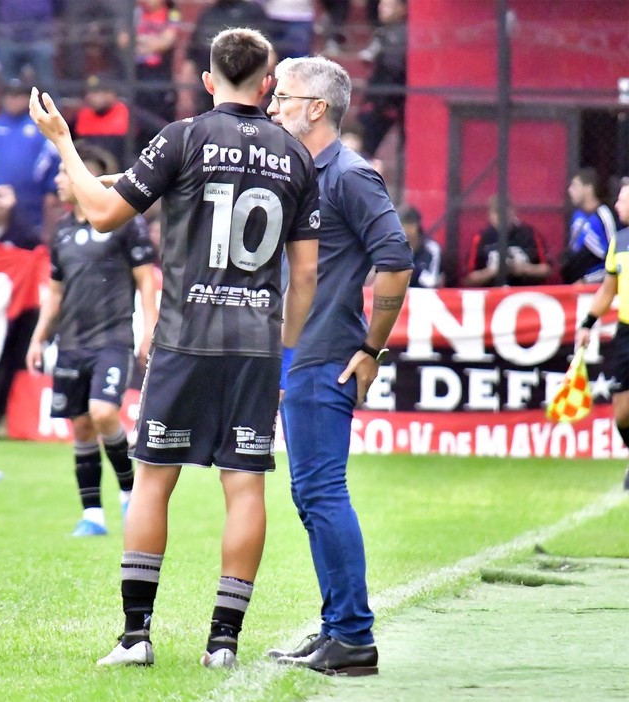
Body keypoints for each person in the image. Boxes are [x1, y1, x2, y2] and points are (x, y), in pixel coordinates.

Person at [28, 27, 319, 668]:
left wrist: (64, 144)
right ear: (267, 83)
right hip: (254, 347)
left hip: (185, 339)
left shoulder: (183, 137)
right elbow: (305, 277)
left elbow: (103, 213)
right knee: (245, 488)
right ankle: (222, 644)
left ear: (208, 81)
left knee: (155, 481)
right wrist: (284, 349)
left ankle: (136, 636)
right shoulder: (296, 156)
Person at [266, 56, 413, 675]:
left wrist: (371, 349)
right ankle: (336, 629)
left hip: (326, 355)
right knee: (309, 495)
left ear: (317, 108)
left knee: (322, 492)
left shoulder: (351, 175)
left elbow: (397, 260)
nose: (273, 107)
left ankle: (352, 636)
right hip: (299, 355)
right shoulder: (301, 171)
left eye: (283, 97)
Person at [25, 142, 159, 537]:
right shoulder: (63, 231)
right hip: (71, 343)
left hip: (112, 339)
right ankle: (93, 516)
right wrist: (38, 339)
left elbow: (146, 282)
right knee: (81, 427)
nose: (59, 180)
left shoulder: (124, 223)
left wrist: (149, 328)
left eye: (65, 172)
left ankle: (130, 491)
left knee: (103, 413)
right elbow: (54, 294)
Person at [575, 178, 629, 490]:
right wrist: (587, 322)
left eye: (622, 201)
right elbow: (608, 290)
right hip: (626, 334)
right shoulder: (619, 242)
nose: (618, 206)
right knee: (622, 413)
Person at [0, 78, 60, 240]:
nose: (13, 100)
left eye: (19, 96)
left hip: (31, 208)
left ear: (27, 99)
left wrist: (51, 191)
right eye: (10, 95)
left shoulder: (41, 129)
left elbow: (53, 165)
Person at [180, 0, 269, 116]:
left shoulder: (252, 12)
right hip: (209, 92)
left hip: (244, 88)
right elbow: (191, 58)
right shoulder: (207, 14)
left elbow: (269, 54)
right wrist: (185, 93)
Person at [70, 74, 166, 170]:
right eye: (89, 92)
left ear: (111, 94)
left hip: (123, 175)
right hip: (91, 174)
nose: (91, 97)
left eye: (97, 92)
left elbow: (162, 132)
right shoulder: (82, 116)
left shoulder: (130, 114)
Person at [463, 195, 551, 287]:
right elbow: (469, 279)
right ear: (490, 215)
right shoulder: (481, 238)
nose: (501, 218)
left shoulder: (530, 234)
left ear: (513, 212)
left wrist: (525, 268)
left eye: (505, 213)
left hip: (525, 292)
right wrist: (492, 271)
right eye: (497, 213)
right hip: (493, 293)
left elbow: (547, 269)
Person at [357, 0, 407, 158]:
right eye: (381, 4)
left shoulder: (399, 34)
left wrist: (382, 100)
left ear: (401, 9)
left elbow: (393, 68)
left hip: (388, 97)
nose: (381, 9)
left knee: (368, 143)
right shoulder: (383, 32)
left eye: (387, 6)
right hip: (384, 95)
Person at [561, 167, 617, 284]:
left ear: (588, 189)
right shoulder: (577, 216)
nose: (570, 190)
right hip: (573, 284)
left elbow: (615, 258)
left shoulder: (604, 216)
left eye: (575, 186)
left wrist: (586, 281)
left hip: (595, 286)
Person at [134, 0, 181, 125]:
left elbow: (165, 42)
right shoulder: (137, 12)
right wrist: (152, 42)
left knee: (160, 119)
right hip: (138, 72)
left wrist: (140, 42)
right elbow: (124, 40)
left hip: (159, 75)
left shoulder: (172, 13)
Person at [398, 204, 443, 288]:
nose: (407, 229)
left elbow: (432, 281)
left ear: (418, 225)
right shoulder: (392, 249)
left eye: (410, 224)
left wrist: (414, 273)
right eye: (403, 225)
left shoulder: (431, 249)